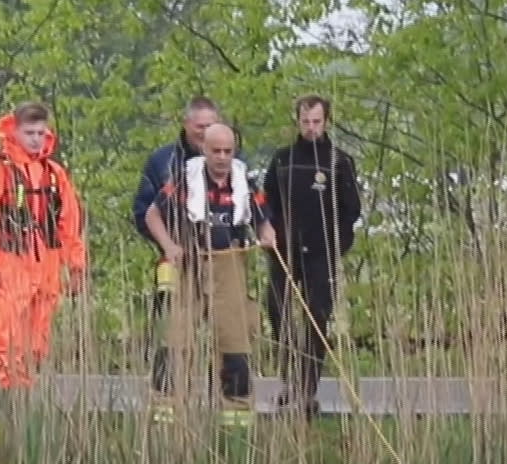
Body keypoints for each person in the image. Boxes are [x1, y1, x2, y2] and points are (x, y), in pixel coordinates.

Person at [144, 122, 276, 422]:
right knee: (176, 336)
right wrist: (168, 246)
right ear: (204, 150)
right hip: (188, 261)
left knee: (234, 337)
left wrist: (268, 234)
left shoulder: (245, 181)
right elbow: (152, 214)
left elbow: (262, 219)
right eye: (215, 151)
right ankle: (165, 410)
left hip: (229, 262)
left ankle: (237, 413)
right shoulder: (185, 179)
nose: (221, 157)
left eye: (227, 151)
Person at [0, 102, 88, 392]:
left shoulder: (54, 174)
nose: (35, 139)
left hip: (47, 267)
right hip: (7, 265)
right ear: (14, 131)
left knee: (36, 338)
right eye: (29, 132)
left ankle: (25, 396)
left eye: (41, 133)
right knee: (1, 336)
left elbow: (70, 223)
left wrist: (77, 265)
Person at [261, 94, 363, 419]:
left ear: (326, 122)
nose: (311, 127)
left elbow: (352, 211)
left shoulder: (339, 162)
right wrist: (267, 230)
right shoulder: (282, 160)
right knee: (277, 308)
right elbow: (266, 202)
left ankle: (307, 388)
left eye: (317, 121)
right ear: (297, 121)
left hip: (322, 254)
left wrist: (337, 248)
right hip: (285, 251)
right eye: (305, 121)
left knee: (316, 320)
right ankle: (290, 378)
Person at [135, 98, 225, 397]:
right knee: (172, 338)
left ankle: (223, 402)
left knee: (228, 338)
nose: (205, 132)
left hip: (223, 263)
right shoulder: (163, 162)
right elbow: (143, 212)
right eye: (200, 127)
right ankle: (167, 404)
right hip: (176, 263)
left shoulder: (233, 164)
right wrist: (169, 244)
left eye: (211, 126)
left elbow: (255, 208)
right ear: (186, 125)